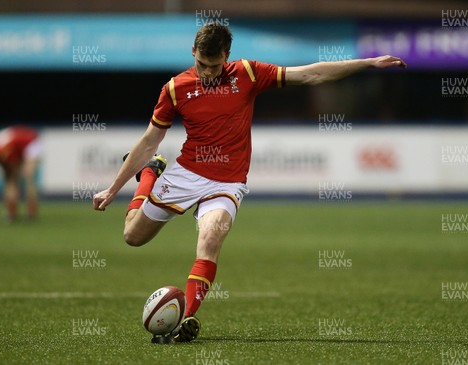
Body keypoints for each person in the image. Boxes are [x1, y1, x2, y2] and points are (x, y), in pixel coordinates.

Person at [93, 24, 406, 342]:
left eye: (214, 66)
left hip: (227, 182)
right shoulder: (175, 89)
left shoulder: (248, 74)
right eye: (201, 64)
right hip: (186, 173)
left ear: (227, 57)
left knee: (211, 240)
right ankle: (150, 173)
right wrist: (113, 189)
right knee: (133, 236)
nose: (207, 72)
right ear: (193, 53)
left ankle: (186, 319)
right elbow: (149, 140)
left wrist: (366, 63)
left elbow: (310, 74)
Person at [0, 126, 41, 221]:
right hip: (19, 146)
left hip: (31, 143)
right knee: (11, 180)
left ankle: (29, 212)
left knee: (27, 175)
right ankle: (12, 212)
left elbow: (12, 164)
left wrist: (11, 175)